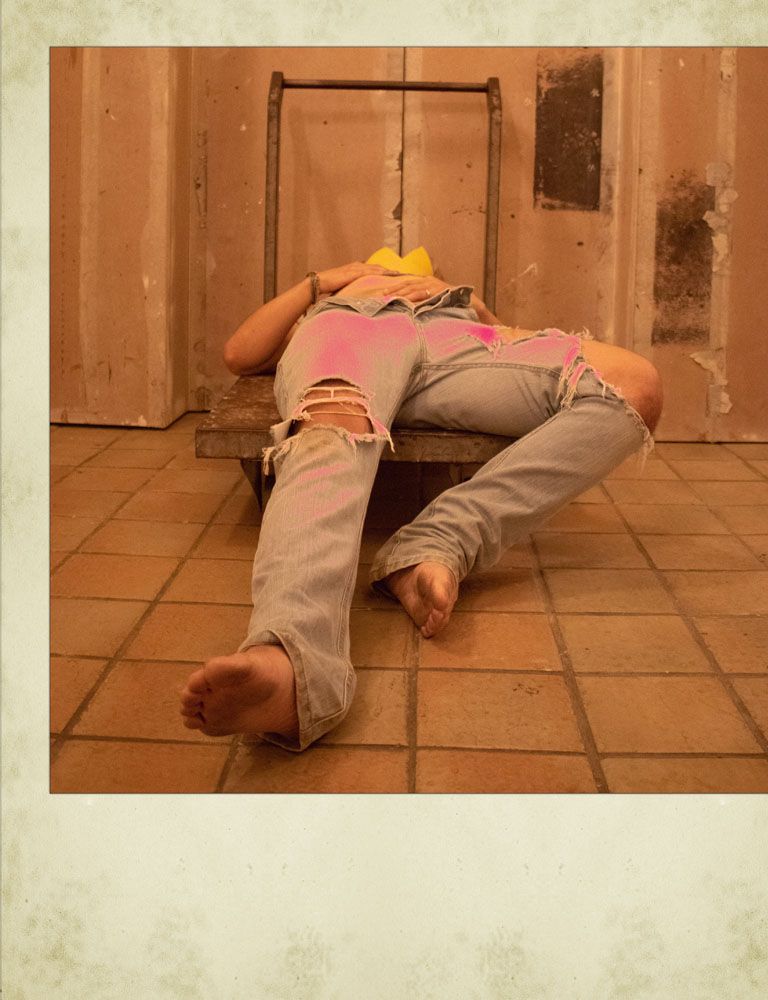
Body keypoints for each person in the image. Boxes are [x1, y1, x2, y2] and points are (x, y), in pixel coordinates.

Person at [179, 249, 663, 751]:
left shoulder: (451, 298)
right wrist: (323, 284)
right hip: (354, 329)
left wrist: (470, 302)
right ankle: (291, 660)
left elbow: (509, 335)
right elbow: (240, 354)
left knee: (634, 385)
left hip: (457, 343)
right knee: (332, 426)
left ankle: (436, 543)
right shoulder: (335, 298)